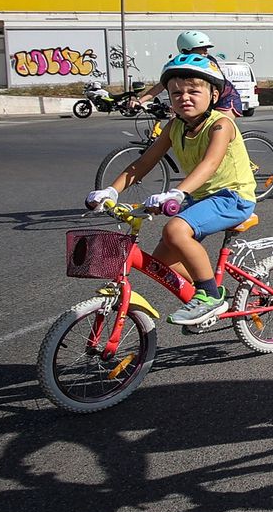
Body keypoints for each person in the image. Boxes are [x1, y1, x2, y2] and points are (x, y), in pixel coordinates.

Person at [85, 53, 259, 326]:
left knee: (175, 230)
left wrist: (177, 192)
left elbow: (209, 165)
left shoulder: (221, 124)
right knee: (162, 260)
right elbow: (142, 162)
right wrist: (111, 191)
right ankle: (209, 294)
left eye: (194, 91)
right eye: (176, 93)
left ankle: (209, 296)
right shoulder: (175, 126)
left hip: (232, 197)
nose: (184, 97)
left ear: (213, 95)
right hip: (201, 197)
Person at [137, 31, 243, 117]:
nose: (206, 51)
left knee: (216, 129)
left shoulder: (208, 63)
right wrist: (140, 101)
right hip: (203, 102)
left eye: (207, 48)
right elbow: (161, 86)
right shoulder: (178, 65)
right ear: (187, 49)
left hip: (225, 100)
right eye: (202, 48)